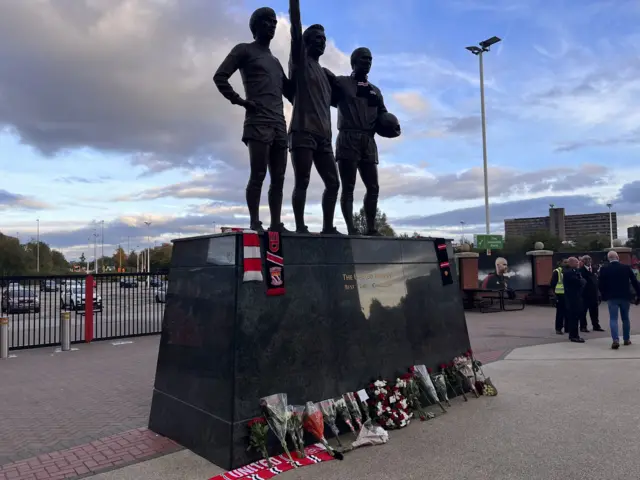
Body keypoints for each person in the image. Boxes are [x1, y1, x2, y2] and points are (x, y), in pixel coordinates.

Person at [213, 7, 294, 233]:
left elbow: (292, 92)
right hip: (258, 121)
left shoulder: (276, 61)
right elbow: (220, 77)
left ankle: (276, 223)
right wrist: (241, 101)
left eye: (274, 22)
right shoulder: (244, 50)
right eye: (267, 21)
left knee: (278, 177)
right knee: (258, 173)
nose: (272, 25)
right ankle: (255, 222)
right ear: (256, 25)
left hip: (279, 123)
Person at [287, 0, 341, 234]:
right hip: (302, 131)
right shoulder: (300, 62)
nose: (322, 42)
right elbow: (295, 25)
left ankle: (328, 227)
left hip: (324, 136)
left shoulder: (326, 75)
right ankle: (300, 227)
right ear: (307, 41)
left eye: (324, 39)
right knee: (303, 181)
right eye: (318, 38)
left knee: (334, 183)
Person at [330, 47, 396, 235]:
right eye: (363, 59)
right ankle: (351, 228)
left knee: (373, 187)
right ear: (354, 62)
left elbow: (383, 113)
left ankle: (371, 228)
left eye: (370, 59)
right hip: (348, 138)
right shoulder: (342, 83)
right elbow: (323, 93)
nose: (367, 62)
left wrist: (392, 125)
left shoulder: (375, 91)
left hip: (368, 140)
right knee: (348, 186)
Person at [598, 250, 640, 349]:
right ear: (617, 257)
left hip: (612, 297)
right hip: (625, 296)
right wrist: (638, 294)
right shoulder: (626, 268)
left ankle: (615, 339)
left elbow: (600, 284)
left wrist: (604, 295)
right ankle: (626, 339)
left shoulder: (604, 269)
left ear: (608, 259)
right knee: (625, 318)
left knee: (613, 318)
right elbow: (634, 281)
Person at [563, 257, 586, 343]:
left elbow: (582, 281)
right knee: (574, 317)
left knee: (576, 317)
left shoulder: (575, 271)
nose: (578, 264)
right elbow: (578, 282)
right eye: (576, 262)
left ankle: (575, 334)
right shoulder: (568, 272)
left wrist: (581, 281)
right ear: (571, 263)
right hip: (572, 298)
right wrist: (581, 281)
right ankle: (574, 336)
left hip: (577, 297)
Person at [579, 255, 604, 332]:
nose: (589, 261)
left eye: (590, 259)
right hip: (585, 294)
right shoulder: (581, 270)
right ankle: (583, 326)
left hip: (594, 294)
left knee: (594, 311)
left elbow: (597, 280)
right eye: (587, 260)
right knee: (583, 311)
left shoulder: (594, 269)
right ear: (583, 261)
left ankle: (596, 325)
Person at [550, 259, 569, 335]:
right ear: (561, 263)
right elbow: (552, 283)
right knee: (560, 313)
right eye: (565, 262)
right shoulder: (557, 271)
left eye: (567, 262)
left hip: (568, 294)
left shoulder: (570, 270)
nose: (566, 263)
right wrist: (554, 295)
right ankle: (558, 328)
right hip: (560, 295)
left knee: (568, 312)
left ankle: (567, 328)